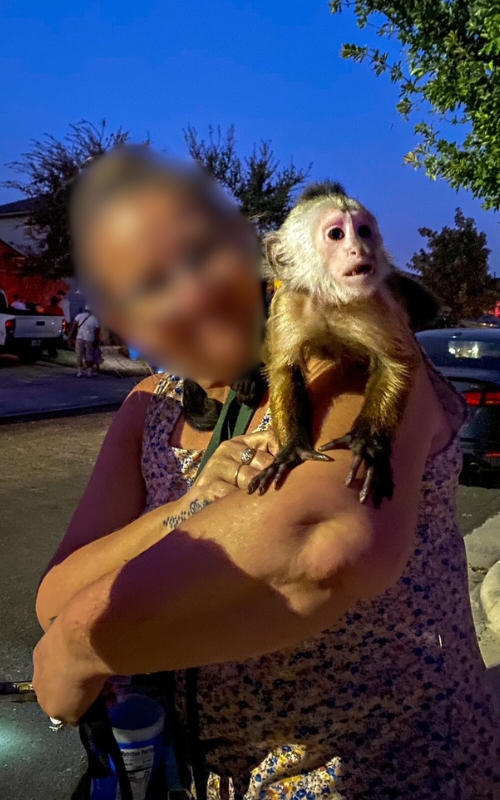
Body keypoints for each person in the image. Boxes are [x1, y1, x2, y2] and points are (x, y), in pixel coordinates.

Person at [34, 146, 500, 798]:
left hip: (389, 770)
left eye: (200, 256)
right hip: (216, 777)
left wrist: (81, 648)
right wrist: (189, 505)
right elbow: (54, 598)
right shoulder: (150, 411)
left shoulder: (350, 345)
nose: (190, 292)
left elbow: (321, 545)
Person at [70, 305, 100, 377]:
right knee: (89, 355)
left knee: (79, 355)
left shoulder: (79, 316)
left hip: (79, 338)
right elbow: (97, 330)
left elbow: (74, 326)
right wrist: (96, 339)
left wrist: (70, 336)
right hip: (89, 338)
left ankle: (79, 372)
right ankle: (89, 372)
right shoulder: (95, 319)